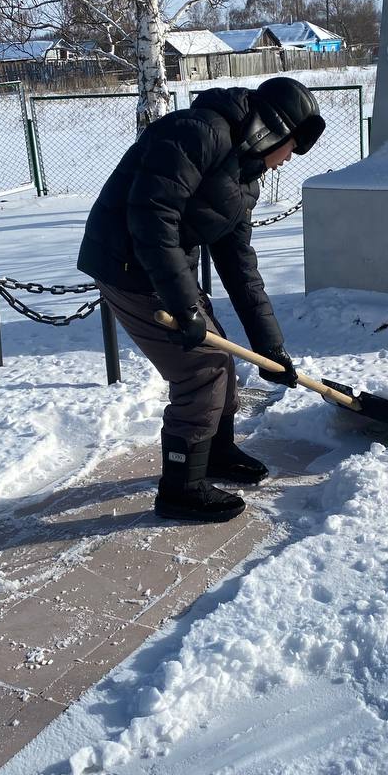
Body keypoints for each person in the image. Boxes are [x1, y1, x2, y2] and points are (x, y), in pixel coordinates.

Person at [77, 77, 326, 524]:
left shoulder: (245, 176)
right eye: (289, 147)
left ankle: (214, 451)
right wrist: (186, 306)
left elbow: (239, 265)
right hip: (128, 266)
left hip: (161, 268)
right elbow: (152, 217)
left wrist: (269, 348)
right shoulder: (199, 133)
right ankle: (181, 487)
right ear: (270, 130)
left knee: (221, 357)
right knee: (202, 370)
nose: (286, 160)